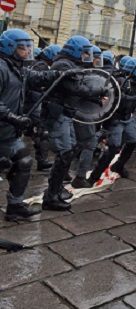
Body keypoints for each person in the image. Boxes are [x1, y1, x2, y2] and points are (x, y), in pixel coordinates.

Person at [0, 29, 63, 220]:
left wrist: (60, 74)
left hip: (8, 132)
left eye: (29, 47)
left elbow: (37, 78)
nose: (27, 51)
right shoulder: (1, 67)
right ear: (9, 47)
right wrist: (12, 117)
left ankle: (15, 206)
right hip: (3, 126)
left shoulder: (18, 67)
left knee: (24, 162)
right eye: (22, 47)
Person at [42, 36, 109, 211]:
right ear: (76, 51)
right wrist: (99, 90)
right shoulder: (63, 65)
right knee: (64, 153)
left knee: (69, 149)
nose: (87, 57)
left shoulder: (70, 65)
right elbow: (76, 88)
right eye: (85, 53)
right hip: (58, 114)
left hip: (66, 113)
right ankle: (51, 196)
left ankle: (56, 190)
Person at [85, 57, 136, 186]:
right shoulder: (121, 81)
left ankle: (119, 166)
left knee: (132, 142)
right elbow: (119, 97)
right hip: (117, 119)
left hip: (127, 117)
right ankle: (94, 176)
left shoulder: (135, 83)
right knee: (113, 147)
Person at [71, 45, 103, 189]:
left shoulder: (85, 71)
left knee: (77, 145)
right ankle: (80, 177)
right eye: (96, 57)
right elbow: (84, 92)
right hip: (83, 113)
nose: (98, 60)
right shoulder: (85, 73)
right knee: (89, 144)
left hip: (82, 112)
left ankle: (63, 173)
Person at [28, 44, 62, 171]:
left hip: (30, 102)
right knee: (42, 133)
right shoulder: (41, 66)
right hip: (32, 103)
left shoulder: (38, 63)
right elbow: (38, 86)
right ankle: (42, 161)